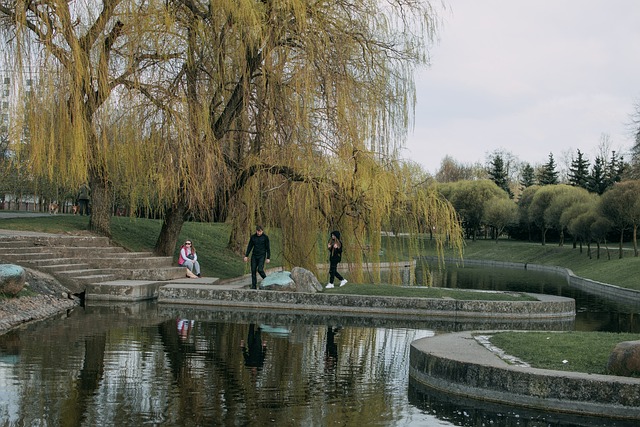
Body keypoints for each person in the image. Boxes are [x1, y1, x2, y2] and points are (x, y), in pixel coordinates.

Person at [243, 225, 270, 289]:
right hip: (254, 256)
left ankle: (267, 280)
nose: (258, 233)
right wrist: (246, 256)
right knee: (253, 270)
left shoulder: (265, 237)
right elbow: (250, 246)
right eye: (258, 231)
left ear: (262, 231)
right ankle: (254, 286)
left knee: (260, 269)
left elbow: (268, 248)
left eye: (260, 231)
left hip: (262, 256)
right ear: (256, 231)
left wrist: (268, 257)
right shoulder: (253, 237)